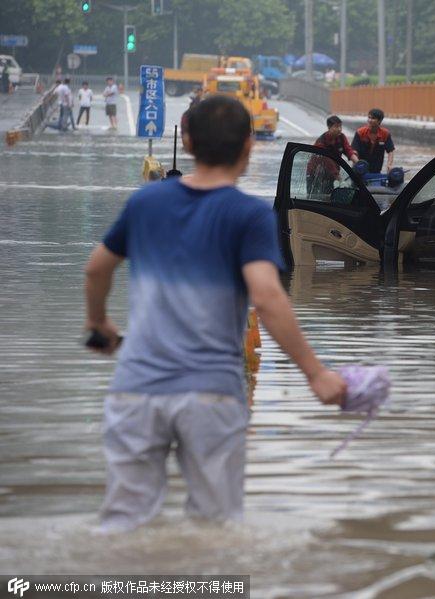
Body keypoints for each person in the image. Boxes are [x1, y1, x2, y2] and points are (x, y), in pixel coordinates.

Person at [83, 95, 347, 532]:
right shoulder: (248, 215)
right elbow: (267, 296)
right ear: (249, 145)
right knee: (215, 528)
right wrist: (315, 372)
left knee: (121, 524)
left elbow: (96, 269)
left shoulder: (146, 203)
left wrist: (98, 323)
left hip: (137, 389)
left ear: (186, 141)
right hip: (211, 393)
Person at [307, 115, 358, 195]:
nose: (339, 129)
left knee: (329, 197)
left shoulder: (341, 137)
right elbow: (328, 161)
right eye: (336, 127)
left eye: (340, 126)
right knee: (314, 197)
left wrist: (358, 162)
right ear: (329, 127)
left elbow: (348, 150)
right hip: (315, 174)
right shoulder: (321, 142)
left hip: (330, 174)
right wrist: (338, 177)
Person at [351, 108, 394, 174]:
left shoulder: (385, 134)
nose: (370, 120)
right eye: (369, 117)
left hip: (376, 170)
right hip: (359, 169)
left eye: (373, 118)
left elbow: (390, 151)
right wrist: (357, 163)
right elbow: (354, 151)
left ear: (379, 121)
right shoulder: (360, 132)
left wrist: (389, 165)